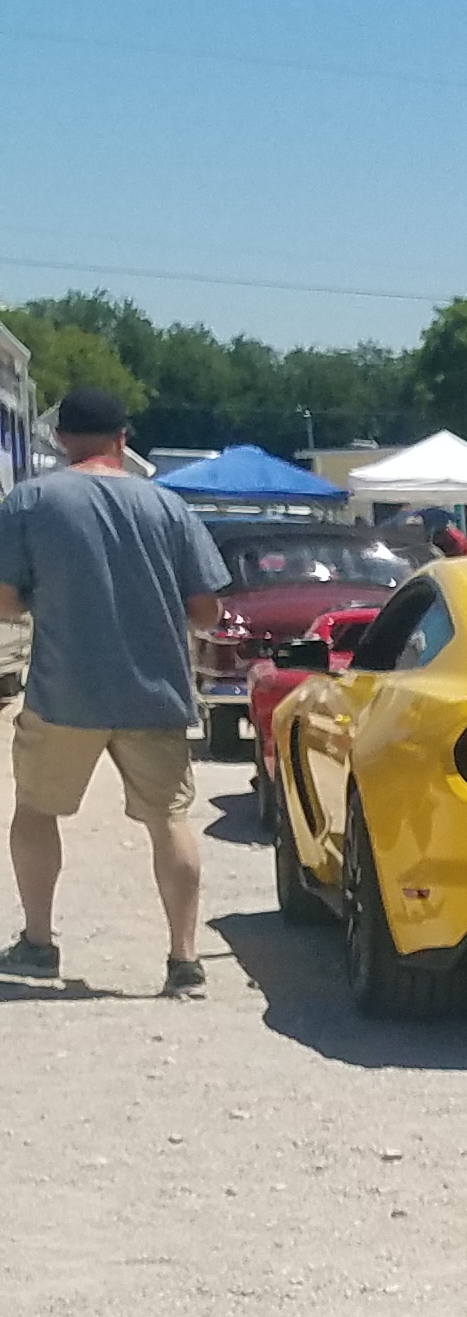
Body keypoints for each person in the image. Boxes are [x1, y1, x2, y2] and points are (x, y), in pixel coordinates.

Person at [0, 384, 232, 995]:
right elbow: (206, 612)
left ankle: (39, 943)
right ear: (123, 439)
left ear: (58, 438)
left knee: (35, 812)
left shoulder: (30, 500)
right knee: (170, 819)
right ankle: (183, 960)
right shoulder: (168, 506)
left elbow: (3, 602)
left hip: (63, 692)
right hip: (154, 692)